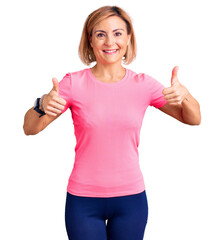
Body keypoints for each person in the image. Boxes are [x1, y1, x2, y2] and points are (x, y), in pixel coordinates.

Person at [23, 5, 201, 240]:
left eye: (117, 33)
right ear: (90, 39)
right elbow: (29, 128)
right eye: (100, 34)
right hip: (83, 201)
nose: (110, 42)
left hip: (131, 201)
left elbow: (193, 118)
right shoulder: (72, 84)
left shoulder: (144, 85)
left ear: (128, 38)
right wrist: (41, 105)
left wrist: (185, 95)